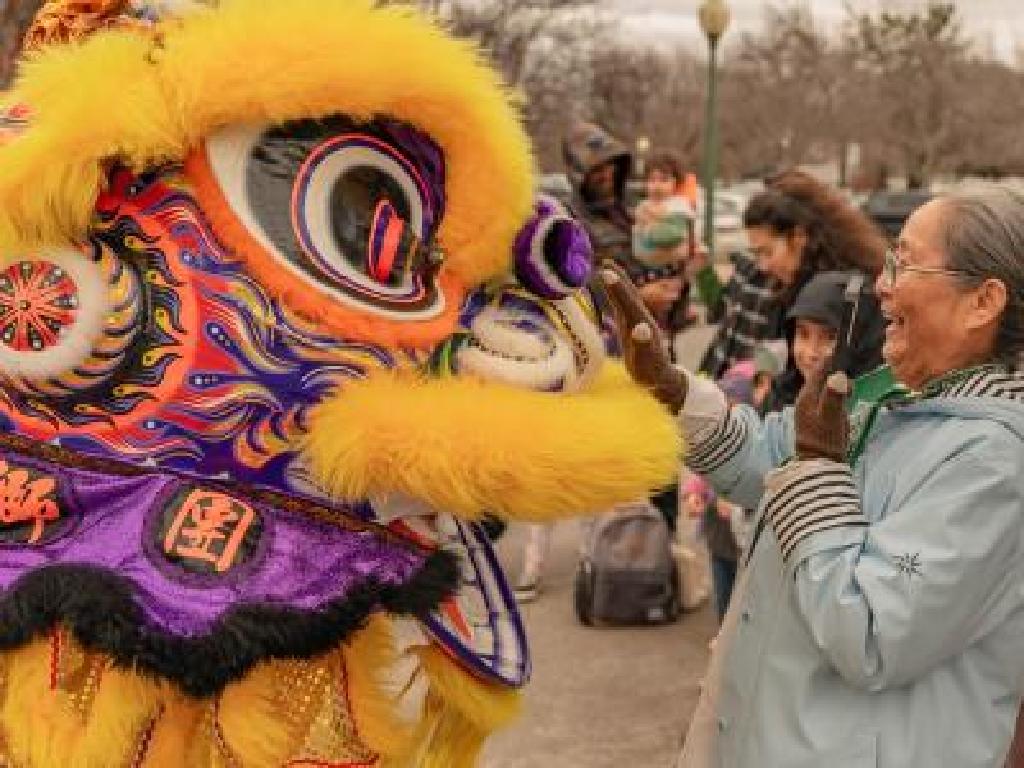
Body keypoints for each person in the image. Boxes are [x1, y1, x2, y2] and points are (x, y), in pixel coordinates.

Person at [600, 185, 1024, 767]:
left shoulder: (995, 461)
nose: (881, 284)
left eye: (903, 262)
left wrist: (819, 469)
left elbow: (873, 632)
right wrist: (672, 389)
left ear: (983, 302)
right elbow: (767, 458)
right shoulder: (897, 401)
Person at [742, 169, 886, 410]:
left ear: (798, 237)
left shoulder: (853, 298)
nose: (762, 266)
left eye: (767, 252)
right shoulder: (791, 287)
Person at [632, 153, 697, 332]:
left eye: (664, 180)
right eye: (652, 180)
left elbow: (673, 235)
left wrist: (647, 230)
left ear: (675, 183)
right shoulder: (645, 206)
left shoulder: (677, 208)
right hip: (647, 265)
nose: (657, 186)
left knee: (667, 301)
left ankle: (677, 317)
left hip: (669, 268)